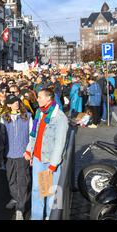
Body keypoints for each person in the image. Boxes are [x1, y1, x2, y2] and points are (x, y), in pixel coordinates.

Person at [24, 88, 68, 220]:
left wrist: (53, 165)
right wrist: (29, 150)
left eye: (40, 97)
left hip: (50, 160)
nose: (37, 99)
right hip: (38, 158)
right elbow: (34, 134)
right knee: (38, 190)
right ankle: (36, 217)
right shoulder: (40, 112)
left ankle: (52, 216)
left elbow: (60, 143)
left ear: (49, 98)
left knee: (53, 192)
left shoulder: (59, 117)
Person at [0, 95, 32, 220]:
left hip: (22, 154)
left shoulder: (27, 116)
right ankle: (16, 198)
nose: (16, 104)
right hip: (8, 154)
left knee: (23, 181)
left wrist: (29, 151)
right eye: (13, 102)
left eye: (17, 101)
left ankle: (20, 208)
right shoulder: (3, 118)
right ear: (8, 105)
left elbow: (31, 135)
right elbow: (2, 137)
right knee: (11, 179)